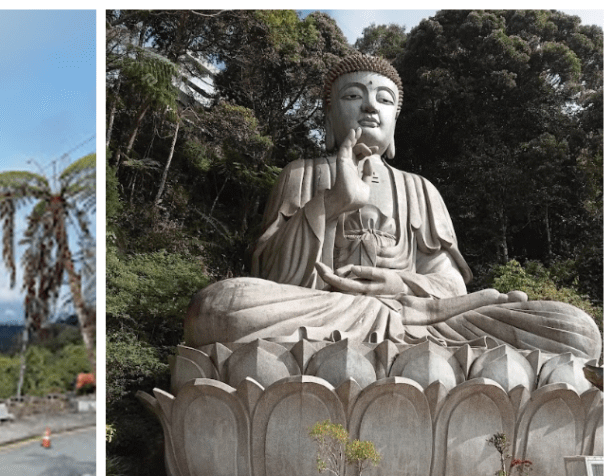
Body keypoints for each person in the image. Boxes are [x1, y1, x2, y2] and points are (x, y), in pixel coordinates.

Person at [184, 53, 601, 360]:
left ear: (395, 118)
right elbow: (275, 275)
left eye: (384, 99)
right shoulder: (301, 173)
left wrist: (400, 286)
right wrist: (334, 201)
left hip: (421, 318)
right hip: (325, 310)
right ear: (329, 114)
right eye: (353, 95)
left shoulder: (419, 189)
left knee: (574, 331)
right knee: (220, 308)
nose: (369, 106)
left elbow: (451, 287)